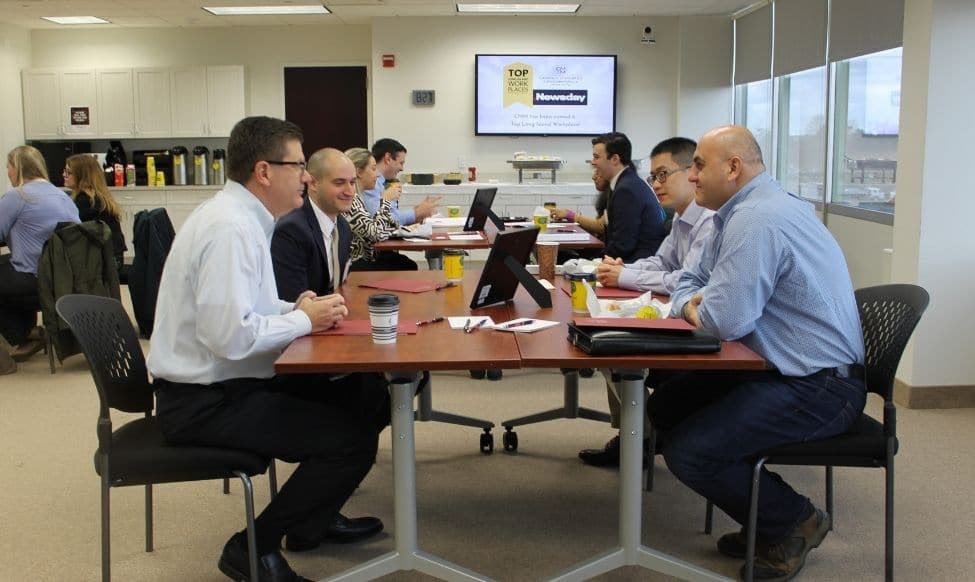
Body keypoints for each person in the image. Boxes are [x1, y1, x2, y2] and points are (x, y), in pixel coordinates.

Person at [148, 117, 387, 582]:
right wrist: (303, 320)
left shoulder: (242, 218)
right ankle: (251, 547)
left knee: (364, 394)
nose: (304, 176)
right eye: (298, 165)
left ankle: (312, 518)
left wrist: (296, 305)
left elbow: (247, 307)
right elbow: (229, 337)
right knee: (350, 439)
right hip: (204, 402)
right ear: (263, 171)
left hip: (227, 382)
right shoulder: (231, 229)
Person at [649, 125, 865, 581]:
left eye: (700, 166)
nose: (692, 177)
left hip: (820, 384)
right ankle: (765, 519)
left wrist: (692, 304)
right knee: (666, 406)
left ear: (733, 167)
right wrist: (694, 301)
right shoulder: (739, 213)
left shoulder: (757, 219)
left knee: (691, 452)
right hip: (781, 367)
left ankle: (791, 520)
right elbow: (692, 282)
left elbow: (721, 321)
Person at [579, 137, 715, 467]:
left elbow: (686, 280)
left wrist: (624, 276)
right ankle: (637, 435)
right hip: (677, 311)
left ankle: (639, 438)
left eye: (663, 174)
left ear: (691, 171)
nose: (655, 184)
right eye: (653, 176)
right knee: (602, 341)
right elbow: (660, 263)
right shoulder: (682, 219)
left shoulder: (711, 221)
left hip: (704, 327)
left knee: (612, 347)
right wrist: (623, 269)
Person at [0, 145, 80, 373]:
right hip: (63, 281)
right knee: (6, 266)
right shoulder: (63, 196)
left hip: (34, 279)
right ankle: (23, 334)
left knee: (9, 271)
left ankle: (4, 357)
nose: (8, 172)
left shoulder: (17, 196)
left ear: (18, 169)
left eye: (9, 167)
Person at [271, 148, 356, 299]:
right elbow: (293, 301)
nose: (350, 191)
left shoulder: (343, 227)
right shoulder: (291, 230)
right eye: (339, 183)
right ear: (313, 183)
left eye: (352, 182)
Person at [589, 131, 666, 262]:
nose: (593, 162)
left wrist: (593, 263)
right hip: (629, 261)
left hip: (637, 265)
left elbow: (623, 245)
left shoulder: (626, 190)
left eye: (596, 157)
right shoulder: (623, 183)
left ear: (614, 159)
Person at [341, 147, 412, 271]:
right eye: (373, 169)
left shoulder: (358, 198)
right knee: (406, 265)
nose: (378, 174)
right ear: (358, 172)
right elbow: (376, 234)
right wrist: (385, 201)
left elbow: (380, 229)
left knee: (404, 262)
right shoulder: (351, 200)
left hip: (367, 258)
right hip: (356, 263)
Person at [64, 153, 128, 281]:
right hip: (112, 257)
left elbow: (68, 229)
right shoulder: (97, 197)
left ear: (82, 176)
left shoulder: (86, 201)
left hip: (105, 262)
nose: (64, 175)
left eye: (68, 172)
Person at [359, 138, 439, 227]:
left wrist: (417, 213)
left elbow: (391, 215)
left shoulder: (380, 182)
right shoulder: (370, 183)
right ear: (388, 158)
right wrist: (416, 213)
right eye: (401, 163)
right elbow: (379, 222)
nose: (402, 168)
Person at [549, 168, 609, 262]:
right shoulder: (607, 195)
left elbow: (600, 226)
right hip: (600, 250)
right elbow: (599, 230)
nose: (593, 177)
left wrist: (570, 215)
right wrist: (572, 219)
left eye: (598, 173)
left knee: (552, 255)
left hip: (602, 254)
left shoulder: (618, 195)